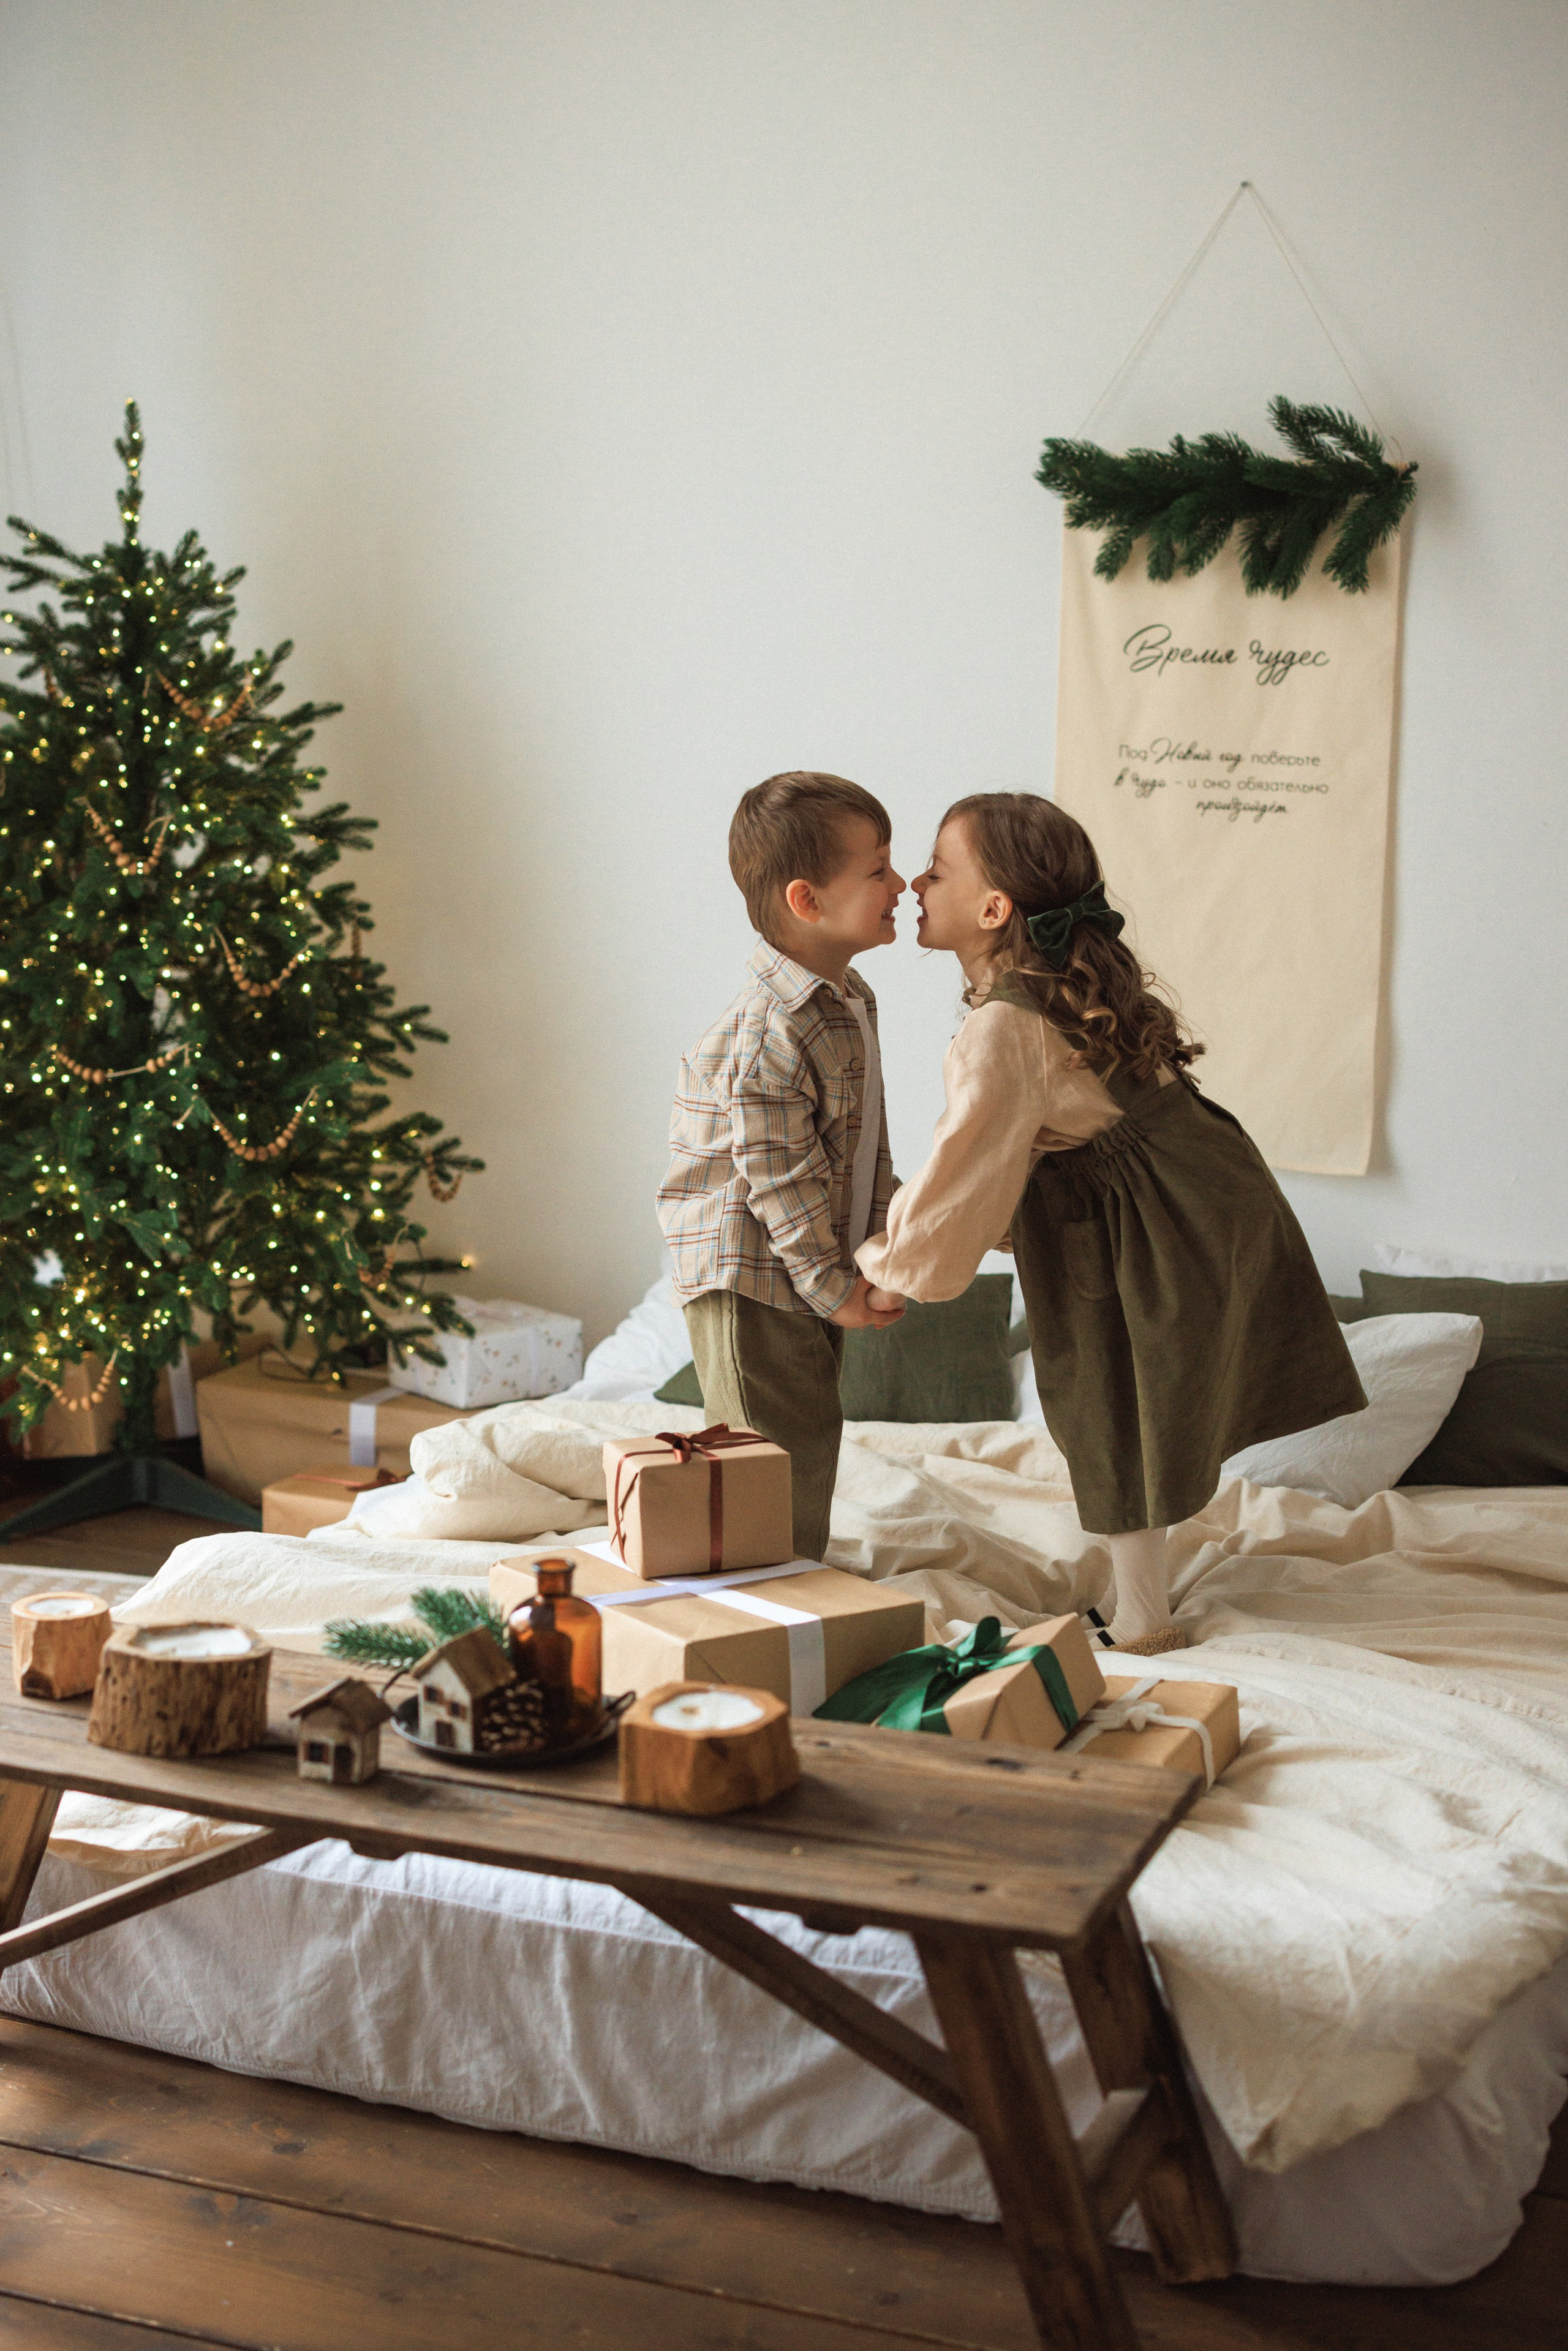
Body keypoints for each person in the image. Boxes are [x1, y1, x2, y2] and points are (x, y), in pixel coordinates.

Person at [856, 791, 1365, 1653]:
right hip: (1194, 1193)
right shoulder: (1040, 999)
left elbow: (963, 1164)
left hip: (1160, 1218)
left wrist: (886, 1260)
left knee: (1108, 1398)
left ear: (994, 908)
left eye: (936, 869)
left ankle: (1142, 1618)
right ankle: (1145, 1602)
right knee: (1117, 1399)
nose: (914, 881)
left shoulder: (1006, 1028)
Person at [657, 771, 905, 1561]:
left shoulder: (847, 1001)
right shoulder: (771, 1031)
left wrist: (880, 1247)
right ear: (808, 901)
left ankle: (797, 1579)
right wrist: (835, 1291)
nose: (901, 884)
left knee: (808, 1434)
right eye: (878, 870)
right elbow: (778, 1181)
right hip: (751, 1276)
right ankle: (770, 1595)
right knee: (767, 1453)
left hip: (801, 1269)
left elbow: (863, 1150)